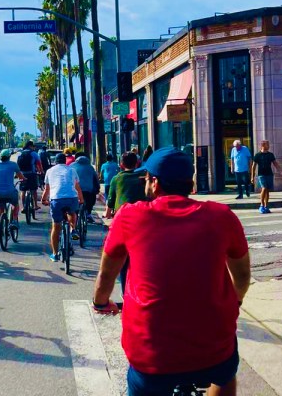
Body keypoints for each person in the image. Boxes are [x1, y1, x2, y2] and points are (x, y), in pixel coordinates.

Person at [92, 147, 251, 396]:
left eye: (147, 177)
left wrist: (101, 303)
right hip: (214, 349)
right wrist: (236, 300)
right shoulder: (222, 216)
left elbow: (106, 275)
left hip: (151, 356)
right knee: (225, 376)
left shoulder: (130, 216)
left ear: (154, 183)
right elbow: (241, 275)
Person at [104, 151, 148, 295]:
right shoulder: (143, 178)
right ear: (137, 163)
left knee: (122, 257)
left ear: (121, 164)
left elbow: (110, 201)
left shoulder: (117, 179)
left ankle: (125, 293)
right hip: (143, 220)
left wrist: (108, 213)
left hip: (123, 221)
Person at [41, 153, 84, 262]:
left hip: (56, 199)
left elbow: (47, 189)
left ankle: (55, 254)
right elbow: (77, 187)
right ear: (65, 161)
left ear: (55, 161)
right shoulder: (72, 170)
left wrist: (43, 200)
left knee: (56, 227)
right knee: (72, 212)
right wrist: (81, 199)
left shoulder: (49, 171)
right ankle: (73, 229)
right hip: (71, 198)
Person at [0, 149, 25, 231]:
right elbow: (21, 177)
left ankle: (1, 226)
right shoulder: (13, 165)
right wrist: (24, 179)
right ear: (9, 157)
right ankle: (14, 221)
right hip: (10, 192)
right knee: (15, 204)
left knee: (1, 209)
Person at [251, 140, 282, 214]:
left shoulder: (270, 154)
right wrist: (252, 177)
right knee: (264, 188)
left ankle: (266, 206)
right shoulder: (257, 155)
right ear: (263, 145)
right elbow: (253, 166)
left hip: (269, 174)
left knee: (267, 190)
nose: (269, 146)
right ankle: (261, 205)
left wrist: (280, 170)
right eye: (267, 145)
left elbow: (275, 163)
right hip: (261, 174)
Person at [73, 152, 100, 223]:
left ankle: (74, 213)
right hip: (88, 190)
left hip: (75, 189)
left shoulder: (72, 166)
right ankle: (88, 214)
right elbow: (96, 179)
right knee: (90, 199)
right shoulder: (90, 167)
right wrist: (97, 188)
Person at [17, 141, 43, 212]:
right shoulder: (33, 153)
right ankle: (35, 205)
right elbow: (38, 163)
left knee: (23, 190)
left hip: (22, 174)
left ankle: (23, 207)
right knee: (34, 190)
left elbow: (17, 165)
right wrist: (41, 171)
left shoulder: (20, 153)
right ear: (30, 146)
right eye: (33, 146)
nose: (33, 147)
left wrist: (18, 174)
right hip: (32, 174)